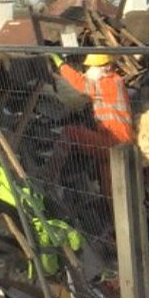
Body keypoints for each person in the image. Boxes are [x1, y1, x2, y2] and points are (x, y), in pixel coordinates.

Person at [45, 53, 133, 195]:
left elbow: (81, 84)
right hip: (113, 141)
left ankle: (47, 176)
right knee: (110, 191)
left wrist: (60, 64)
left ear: (107, 67)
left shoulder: (109, 83)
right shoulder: (112, 81)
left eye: (92, 67)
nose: (89, 70)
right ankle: (111, 214)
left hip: (115, 142)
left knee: (70, 133)